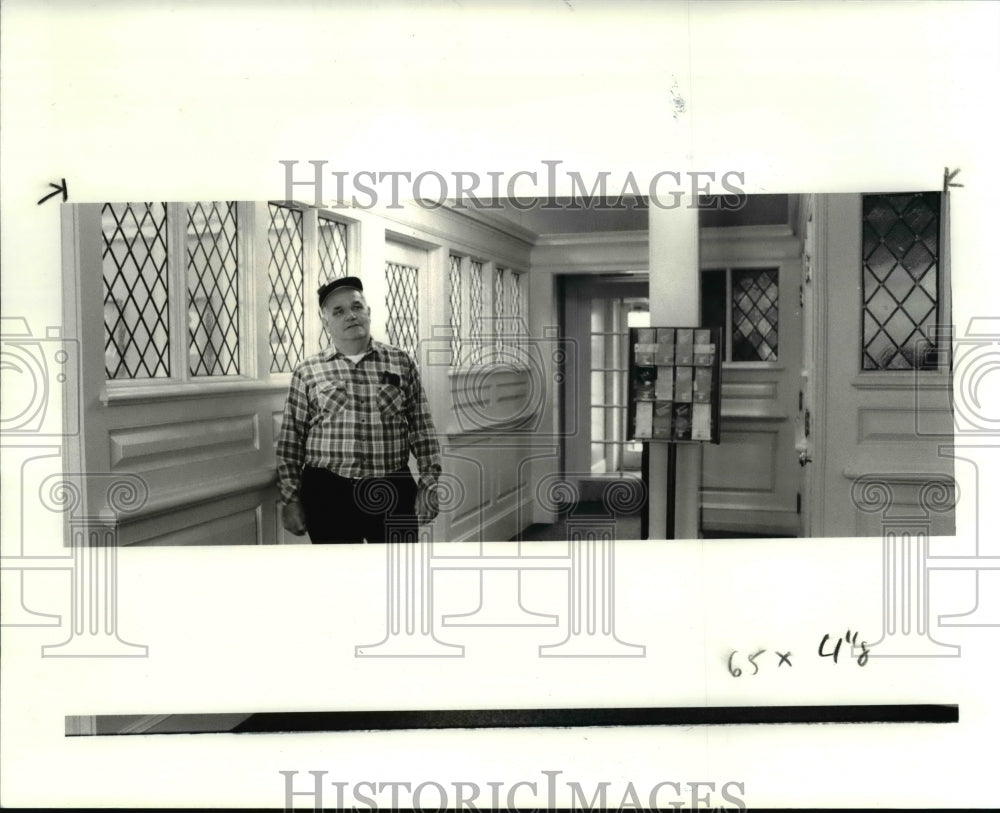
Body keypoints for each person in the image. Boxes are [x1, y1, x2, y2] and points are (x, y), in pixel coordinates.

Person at [275, 276, 441, 543]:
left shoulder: (401, 362)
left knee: (396, 575)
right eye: (338, 311)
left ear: (368, 312)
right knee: (340, 579)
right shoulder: (308, 371)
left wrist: (429, 483)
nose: (350, 315)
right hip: (329, 491)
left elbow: (422, 429)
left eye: (356, 307)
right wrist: (290, 498)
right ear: (325, 321)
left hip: (392, 489)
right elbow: (291, 441)